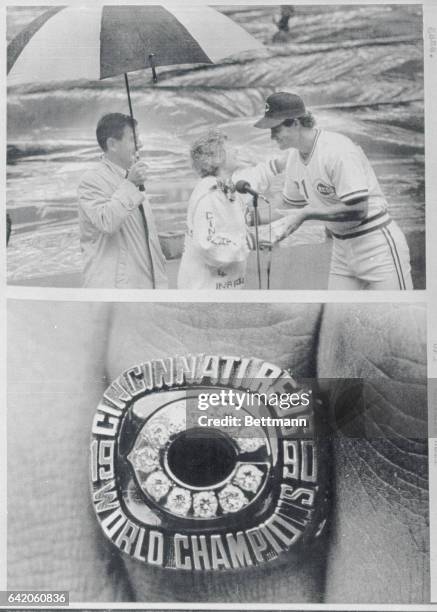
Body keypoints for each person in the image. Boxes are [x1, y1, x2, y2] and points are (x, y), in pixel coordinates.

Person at [254, 92, 413, 290]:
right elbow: (286, 204)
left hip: (375, 242)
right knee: (338, 318)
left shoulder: (337, 150)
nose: (271, 136)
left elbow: (359, 210)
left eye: (275, 128)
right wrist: (245, 217)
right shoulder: (295, 157)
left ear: (295, 123)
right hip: (342, 250)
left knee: (398, 315)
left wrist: (307, 213)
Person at [177, 129, 288, 290]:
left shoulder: (227, 185)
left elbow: (256, 176)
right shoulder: (209, 195)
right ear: (216, 157)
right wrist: (248, 242)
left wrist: (281, 164)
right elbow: (206, 245)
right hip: (205, 293)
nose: (236, 150)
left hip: (226, 288)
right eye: (230, 147)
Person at [77, 113, 167, 288]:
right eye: (133, 139)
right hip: (116, 290)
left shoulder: (130, 178)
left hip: (146, 286)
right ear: (112, 144)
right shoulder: (91, 180)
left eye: (139, 138)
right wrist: (131, 184)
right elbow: (107, 222)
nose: (140, 144)